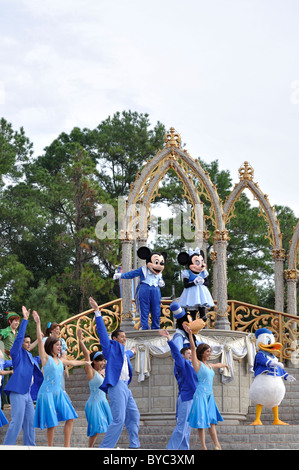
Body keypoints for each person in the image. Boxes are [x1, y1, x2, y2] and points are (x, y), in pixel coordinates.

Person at [89, 296, 140, 449]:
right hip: (116, 386)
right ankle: (105, 448)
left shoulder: (123, 353)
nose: (125, 339)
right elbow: (102, 333)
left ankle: (134, 445)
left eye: (125, 337)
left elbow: (126, 356)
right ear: (115, 339)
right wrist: (97, 312)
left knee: (134, 415)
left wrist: (132, 351)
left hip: (126, 387)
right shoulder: (110, 348)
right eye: (122, 337)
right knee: (119, 419)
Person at [32, 310, 89, 447]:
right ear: (50, 346)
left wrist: (86, 362)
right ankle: (50, 447)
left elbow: (72, 362)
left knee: (71, 417)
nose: (59, 347)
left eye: (60, 345)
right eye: (57, 345)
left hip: (59, 393)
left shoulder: (60, 361)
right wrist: (38, 323)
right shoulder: (46, 359)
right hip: (47, 393)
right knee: (51, 424)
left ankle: (66, 446)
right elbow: (40, 341)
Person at [3, 307, 43, 446]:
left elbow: (42, 356)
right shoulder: (16, 353)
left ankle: (30, 447)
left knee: (30, 423)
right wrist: (25, 319)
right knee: (17, 422)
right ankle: (7, 447)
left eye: (28, 342)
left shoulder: (31, 356)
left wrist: (38, 325)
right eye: (25, 342)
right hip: (17, 391)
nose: (27, 344)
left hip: (27, 394)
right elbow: (19, 339)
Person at [184, 324, 229, 450]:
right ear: (202, 352)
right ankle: (204, 447)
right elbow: (193, 348)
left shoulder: (209, 365)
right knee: (201, 423)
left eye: (210, 351)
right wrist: (190, 335)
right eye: (207, 351)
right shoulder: (197, 364)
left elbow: (217, 365)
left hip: (210, 396)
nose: (209, 353)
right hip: (201, 395)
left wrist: (225, 365)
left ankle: (217, 445)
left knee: (212, 422)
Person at [159, 329, 198, 450]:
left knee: (187, 429)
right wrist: (169, 340)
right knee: (182, 427)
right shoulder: (182, 364)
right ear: (183, 356)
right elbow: (176, 353)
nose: (191, 354)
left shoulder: (194, 365)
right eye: (188, 353)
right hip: (186, 398)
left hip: (193, 399)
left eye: (191, 353)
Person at [77, 328, 112, 447]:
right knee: (96, 430)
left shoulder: (103, 373)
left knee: (109, 427)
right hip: (94, 402)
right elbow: (86, 356)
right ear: (94, 362)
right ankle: (90, 448)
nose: (102, 363)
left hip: (103, 401)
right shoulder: (91, 371)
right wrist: (81, 340)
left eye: (102, 360)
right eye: (98, 361)